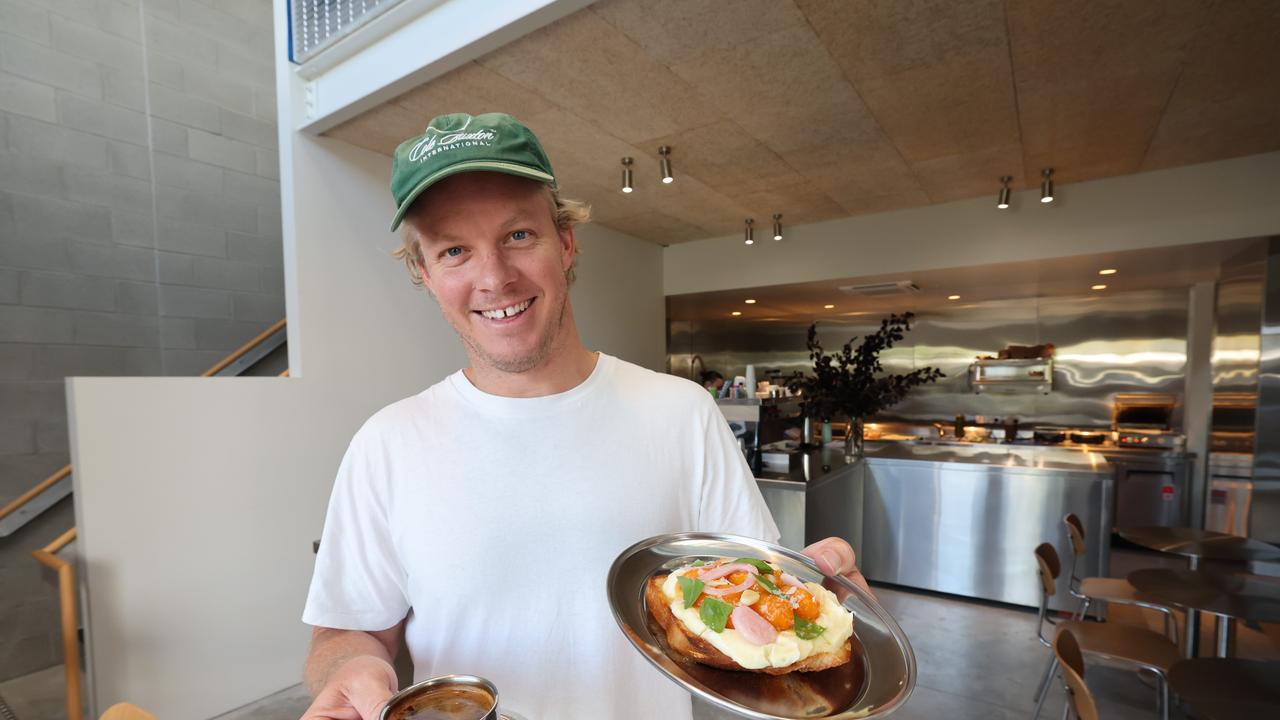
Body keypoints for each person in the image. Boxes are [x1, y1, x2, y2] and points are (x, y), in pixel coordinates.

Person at [299, 112, 869, 720]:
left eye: (518, 235)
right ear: (426, 274)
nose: (493, 277)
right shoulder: (387, 443)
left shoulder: (682, 412)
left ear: (565, 242)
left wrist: (827, 624)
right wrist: (352, 666)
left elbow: (757, 603)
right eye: (454, 250)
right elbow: (345, 632)